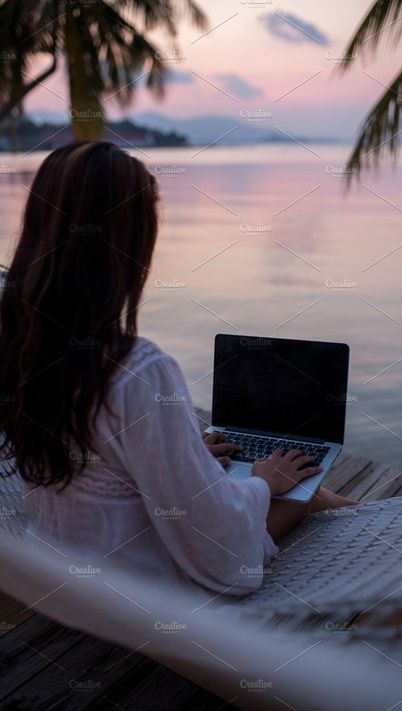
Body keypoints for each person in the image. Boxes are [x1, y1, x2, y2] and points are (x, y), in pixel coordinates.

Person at [0, 142, 355, 595]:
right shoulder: (138, 370)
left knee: (291, 484)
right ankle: (397, 534)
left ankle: (370, 516)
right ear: (130, 239)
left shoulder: (21, 341)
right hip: (140, 590)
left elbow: (98, 465)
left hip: (62, 565)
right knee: (298, 489)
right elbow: (225, 562)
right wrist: (265, 484)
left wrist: (185, 453)